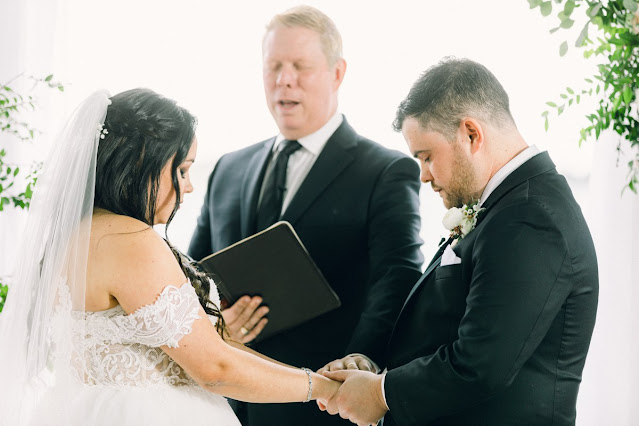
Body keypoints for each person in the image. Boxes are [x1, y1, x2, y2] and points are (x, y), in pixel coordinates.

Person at [0, 89, 342, 426]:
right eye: (181, 170)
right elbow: (215, 369)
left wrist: (308, 378)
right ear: (138, 165)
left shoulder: (75, 235)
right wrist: (324, 390)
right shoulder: (129, 240)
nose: (189, 187)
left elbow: (212, 349)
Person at [320, 58, 599, 425]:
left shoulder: (531, 217)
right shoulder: (506, 207)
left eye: (427, 156)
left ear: (470, 134)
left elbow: (481, 365)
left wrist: (380, 393)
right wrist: (371, 364)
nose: (423, 175)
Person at [188, 5, 424, 426]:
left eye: (300, 65)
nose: (284, 79)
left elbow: (398, 277)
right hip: (221, 404)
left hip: (323, 404)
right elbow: (190, 275)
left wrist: (359, 365)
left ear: (337, 73)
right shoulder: (227, 168)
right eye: (273, 66)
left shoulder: (386, 171)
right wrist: (214, 325)